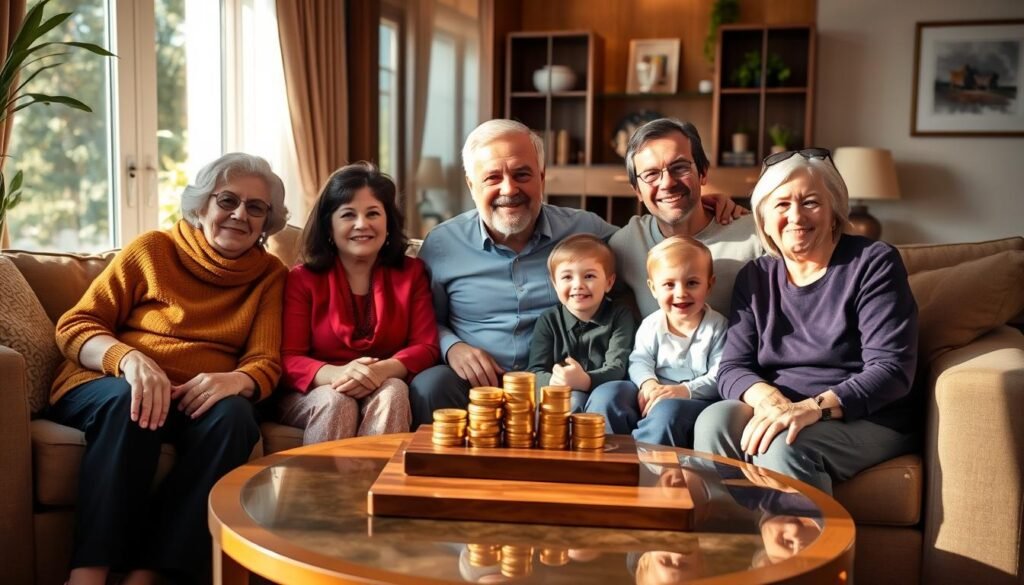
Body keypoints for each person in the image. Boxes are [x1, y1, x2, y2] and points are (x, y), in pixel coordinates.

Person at [46, 153, 289, 585]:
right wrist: (128, 360)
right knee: (131, 400)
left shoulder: (270, 274)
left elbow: (266, 360)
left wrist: (237, 379)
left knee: (235, 419)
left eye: (256, 207)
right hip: (108, 386)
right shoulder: (153, 250)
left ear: (267, 222)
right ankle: (88, 574)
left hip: (195, 399)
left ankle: (151, 575)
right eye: (227, 200)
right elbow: (76, 324)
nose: (239, 214)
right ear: (201, 205)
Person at [409, 119, 741, 427]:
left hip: (562, 381)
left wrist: (703, 203)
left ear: (541, 177)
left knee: (602, 398)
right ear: (471, 184)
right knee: (429, 384)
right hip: (474, 381)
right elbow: (421, 320)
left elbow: (660, 236)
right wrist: (452, 346)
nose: (509, 189)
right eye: (493, 177)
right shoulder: (442, 245)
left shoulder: (586, 230)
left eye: (523, 174)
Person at [694, 148, 920, 495]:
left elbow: (891, 369)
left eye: (811, 202)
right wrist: (771, 400)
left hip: (866, 416)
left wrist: (811, 409)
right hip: (785, 407)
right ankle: (732, 541)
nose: (796, 216)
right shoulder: (756, 276)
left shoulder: (873, 263)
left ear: (834, 212)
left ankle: (805, 548)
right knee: (714, 421)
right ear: (764, 220)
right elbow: (732, 368)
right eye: (781, 205)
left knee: (785, 442)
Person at [277, 162, 439, 443]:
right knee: (336, 401)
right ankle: (323, 488)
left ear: (388, 223)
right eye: (348, 214)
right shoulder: (302, 280)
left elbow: (426, 346)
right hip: (315, 390)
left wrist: (379, 371)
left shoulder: (412, 274)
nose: (362, 224)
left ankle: (379, 486)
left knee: (394, 390)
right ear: (330, 225)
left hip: (384, 379)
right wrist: (338, 374)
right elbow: (289, 357)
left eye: (373, 213)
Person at [609, 118, 762, 319]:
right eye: (651, 174)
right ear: (637, 190)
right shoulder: (625, 243)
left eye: (679, 167)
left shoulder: (755, 236)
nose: (667, 183)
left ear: (703, 173)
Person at [589, 237, 727, 446]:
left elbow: (720, 375)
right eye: (669, 284)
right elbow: (639, 360)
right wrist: (648, 383)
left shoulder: (717, 326)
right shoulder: (652, 324)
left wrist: (684, 390)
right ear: (653, 289)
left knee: (667, 410)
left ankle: (647, 470)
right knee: (607, 394)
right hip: (652, 391)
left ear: (709, 285)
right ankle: (609, 460)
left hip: (695, 399)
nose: (681, 293)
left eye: (692, 283)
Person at [526, 234, 636, 412]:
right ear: (555, 284)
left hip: (607, 392)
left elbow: (618, 368)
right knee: (571, 402)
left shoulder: (620, 316)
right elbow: (535, 370)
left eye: (589, 276)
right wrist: (555, 380)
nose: (578, 285)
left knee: (610, 397)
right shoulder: (549, 320)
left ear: (609, 282)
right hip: (562, 392)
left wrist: (585, 381)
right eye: (567, 277)